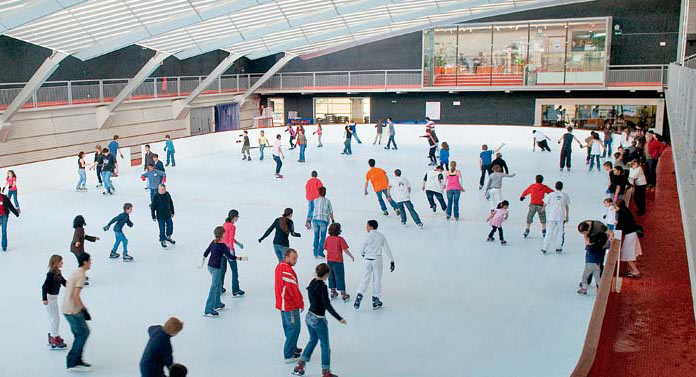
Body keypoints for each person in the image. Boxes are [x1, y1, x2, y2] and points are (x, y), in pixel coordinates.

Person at [292, 263, 346, 377]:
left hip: (309, 316)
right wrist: (338, 318)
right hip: (318, 320)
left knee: (313, 340)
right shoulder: (322, 286)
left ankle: (300, 365)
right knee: (325, 345)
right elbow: (327, 305)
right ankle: (326, 372)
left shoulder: (312, 282)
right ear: (326, 274)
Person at [354, 220, 395, 311]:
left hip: (368, 260)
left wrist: (364, 255)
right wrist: (391, 260)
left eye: (367, 226)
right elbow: (387, 249)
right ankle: (376, 300)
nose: (366, 227)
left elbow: (362, 250)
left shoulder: (366, 236)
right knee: (376, 280)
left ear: (371, 227)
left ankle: (359, 296)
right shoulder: (381, 236)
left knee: (365, 279)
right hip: (377, 259)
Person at [62, 252, 92, 372]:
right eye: (89, 261)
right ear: (85, 262)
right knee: (83, 333)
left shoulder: (77, 272)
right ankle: (73, 361)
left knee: (79, 334)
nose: (91, 263)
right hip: (72, 310)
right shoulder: (81, 275)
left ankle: (76, 359)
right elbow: (76, 295)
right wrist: (83, 309)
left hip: (67, 308)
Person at [275, 248, 304, 363]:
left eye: (296, 258)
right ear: (286, 257)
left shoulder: (279, 267)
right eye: (293, 258)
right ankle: (288, 354)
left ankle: (293, 348)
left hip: (282, 304)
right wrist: (300, 303)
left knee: (288, 327)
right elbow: (293, 290)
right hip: (289, 305)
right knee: (294, 328)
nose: (295, 260)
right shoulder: (287, 271)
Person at [202, 226, 236, 317]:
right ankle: (208, 309)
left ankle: (217, 303)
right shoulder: (223, 246)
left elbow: (206, 252)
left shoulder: (213, 242)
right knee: (214, 287)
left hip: (210, 267)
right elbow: (230, 256)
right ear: (223, 235)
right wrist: (237, 258)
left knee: (218, 284)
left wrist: (203, 260)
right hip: (216, 268)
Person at [42, 254, 67, 350]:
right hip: (49, 298)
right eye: (61, 262)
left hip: (54, 297)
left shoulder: (58, 273)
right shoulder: (51, 274)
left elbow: (64, 282)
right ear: (56, 263)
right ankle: (54, 338)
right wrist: (44, 299)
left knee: (54, 318)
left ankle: (54, 336)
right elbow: (44, 287)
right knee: (55, 318)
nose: (62, 263)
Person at [323, 223, 354, 302]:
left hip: (329, 261)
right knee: (340, 276)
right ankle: (343, 294)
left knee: (331, 276)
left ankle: (333, 292)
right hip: (338, 261)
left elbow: (325, 248)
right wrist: (351, 255)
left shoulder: (328, 238)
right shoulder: (340, 239)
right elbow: (345, 249)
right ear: (338, 230)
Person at [221, 209, 246, 297]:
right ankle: (235, 290)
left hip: (222, 249)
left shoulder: (225, 224)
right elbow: (230, 240)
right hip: (228, 250)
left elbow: (227, 237)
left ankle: (220, 288)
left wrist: (238, 243)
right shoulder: (232, 227)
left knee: (222, 269)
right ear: (234, 217)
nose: (238, 218)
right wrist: (231, 251)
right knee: (234, 270)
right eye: (237, 216)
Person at [541, 181, 570, 254]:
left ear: (555, 186)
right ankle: (558, 247)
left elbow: (545, 203)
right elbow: (567, 206)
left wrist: (543, 208)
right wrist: (567, 216)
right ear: (562, 187)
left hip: (552, 216)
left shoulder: (551, 195)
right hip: (561, 216)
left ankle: (545, 248)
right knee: (560, 232)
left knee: (549, 232)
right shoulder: (565, 195)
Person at [616, 199, 642, 277]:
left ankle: (635, 271)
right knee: (632, 252)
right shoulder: (626, 210)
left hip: (630, 234)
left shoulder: (621, 213)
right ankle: (633, 269)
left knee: (627, 253)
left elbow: (620, 226)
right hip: (633, 233)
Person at [577, 231, 608, 295]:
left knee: (585, 277)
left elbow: (587, 242)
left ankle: (584, 289)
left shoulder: (590, 247)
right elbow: (605, 245)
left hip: (589, 266)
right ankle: (599, 289)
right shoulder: (600, 247)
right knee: (598, 278)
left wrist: (585, 235)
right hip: (597, 265)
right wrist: (608, 239)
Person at [70, 215, 98, 283]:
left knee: (82, 263)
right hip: (77, 249)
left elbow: (84, 236)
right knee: (82, 264)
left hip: (77, 249)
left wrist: (94, 238)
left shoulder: (79, 229)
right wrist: (76, 242)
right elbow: (76, 237)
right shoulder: (79, 230)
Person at [311, 187, 334, 258]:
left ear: (318, 192)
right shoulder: (327, 201)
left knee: (316, 236)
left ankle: (315, 252)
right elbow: (331, 212)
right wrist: (333, 220)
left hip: (315, 220)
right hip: (324, 220)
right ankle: (320, 251)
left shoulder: (315, 200)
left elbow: (312, 210)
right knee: (323, 237)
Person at [151, 184, 175, 248]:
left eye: (164, 189)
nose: (163, 190)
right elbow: (153, 207)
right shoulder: (156, 196)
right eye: (162, 189)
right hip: (160, 216)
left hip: (168, 215)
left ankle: (168, 237)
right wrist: (153, 216)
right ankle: (162, 240)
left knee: (170, 226)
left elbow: (171, 202)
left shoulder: (167, 194)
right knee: (162, 229)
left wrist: (172, 211)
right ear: (158, 189)